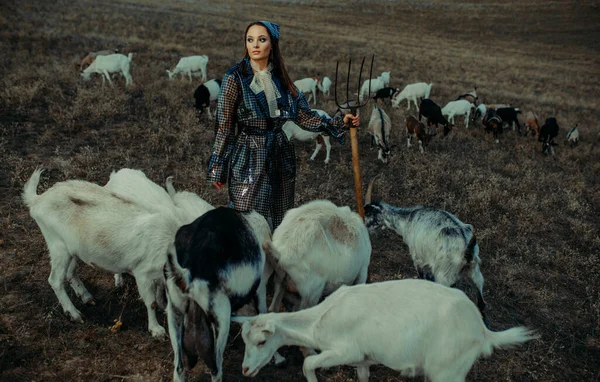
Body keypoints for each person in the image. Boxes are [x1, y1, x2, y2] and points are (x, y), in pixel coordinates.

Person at [207, 21, 359, 229]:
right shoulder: (235, 78)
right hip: (249, 154)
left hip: (280, 152)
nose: (255, 45)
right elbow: (224, 126)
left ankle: (276, 259)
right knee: (247, 219)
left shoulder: (282, 79)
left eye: (262, 39)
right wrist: (218, 166)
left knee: (281, 220)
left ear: (272, 44)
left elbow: (304, 116)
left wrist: (339, 122)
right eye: (250, 40)